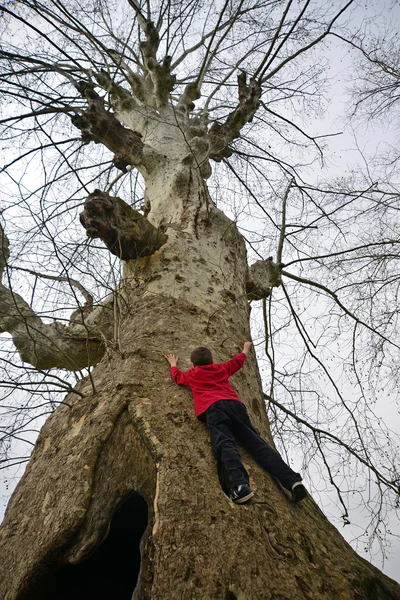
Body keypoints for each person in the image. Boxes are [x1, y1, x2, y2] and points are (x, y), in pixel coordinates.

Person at [165, 342, 307, 504]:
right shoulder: (220, 369)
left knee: (225, 444)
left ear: (192, 364)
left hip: (214, 408)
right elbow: (237, 362)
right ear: (212, 361)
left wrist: (173, 365)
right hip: (235, 406)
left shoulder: (193, 374)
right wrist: (245, 349)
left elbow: (178, 378)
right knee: (257, 444)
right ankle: (292, 481)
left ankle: (240, 486)